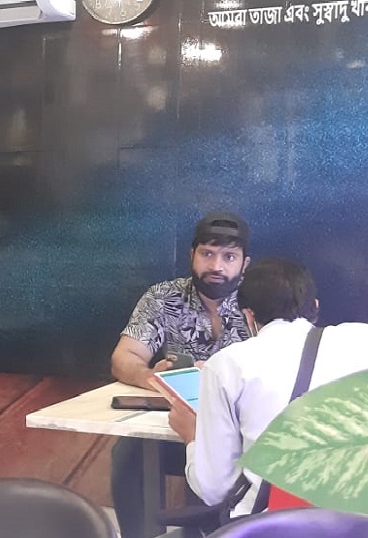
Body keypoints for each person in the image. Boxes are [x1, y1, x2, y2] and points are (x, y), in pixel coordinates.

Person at [167, 257, 368, 518]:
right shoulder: (367, 339)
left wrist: (191, 436)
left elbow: (214, 489)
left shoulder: (226, 365)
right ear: (315, 306)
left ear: (249, 316)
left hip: (272, 525)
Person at [110, 211, 253, 538]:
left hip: (238, 431)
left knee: (211, 459)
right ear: (192, 255)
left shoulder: (259, 301)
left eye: (229, 256)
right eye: (207, 254)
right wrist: (151, 377)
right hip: (173, 424)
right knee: (129, 453)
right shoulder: (163, 297)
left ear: (245, 263)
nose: (216, 266)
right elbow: (123, 357)